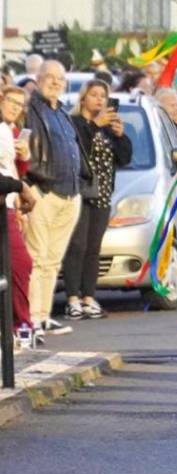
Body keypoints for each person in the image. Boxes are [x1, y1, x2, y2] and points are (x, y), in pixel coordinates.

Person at [22, 61, 85, 337]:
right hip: (43, 190)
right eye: (49, 77)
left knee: (52, 260)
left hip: (70, 194)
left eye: (60, 78)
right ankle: (31, 319)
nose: (55, 82)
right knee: (36, 257)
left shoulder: (62, 112)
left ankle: (43, 316)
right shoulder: (30, 108)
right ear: (38, 79)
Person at [61, 80, 132, 320]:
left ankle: (89, 297)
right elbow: (77, 148)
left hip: (102, 194)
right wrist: (93, 124)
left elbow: (124, 159)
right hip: (79, 192)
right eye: (94, 95)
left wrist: (121, 137)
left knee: (93, 248)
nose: (100, 100)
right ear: (83, 98)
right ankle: (72, 298)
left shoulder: (107, 128)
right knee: (77, 245)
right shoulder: (76, 123)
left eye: (103, 96)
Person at [0, 86, 38, 335]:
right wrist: (20, 187)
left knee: (15, 266)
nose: (15, 107)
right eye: (11, 101)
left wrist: (24, 158)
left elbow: (15, 170)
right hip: (5, 201)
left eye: (20, 104)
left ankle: (18, 325)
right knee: (20, 263)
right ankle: (21, 325)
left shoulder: (10, 130)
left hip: (11, 203)